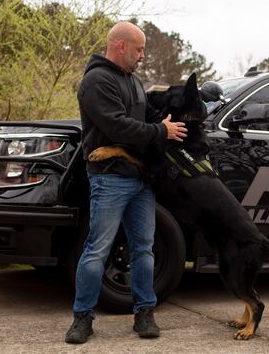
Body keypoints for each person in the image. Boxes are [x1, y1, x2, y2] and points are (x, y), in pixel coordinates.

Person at [65, 21, 187, 344]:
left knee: (144, 250)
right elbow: (119, 127)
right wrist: (161, 132)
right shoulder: (96, 82)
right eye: (139, 49)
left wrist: (166, 119)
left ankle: (144, 313)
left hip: (141, 180)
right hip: (110, 179)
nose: (143, 55)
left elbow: (144, 118)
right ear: (121, 46)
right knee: (97, 250)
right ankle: (82, 319)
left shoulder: (133, 81)